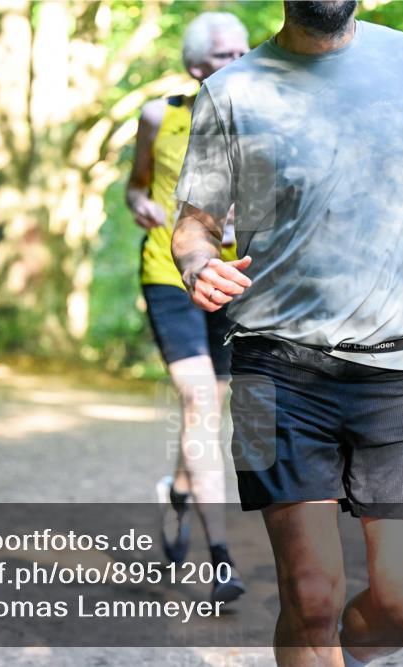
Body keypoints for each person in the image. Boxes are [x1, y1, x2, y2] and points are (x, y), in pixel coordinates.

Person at [171, 1, 403, 665]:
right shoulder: (232, 90)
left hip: (398, 363)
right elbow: (194, 221)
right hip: (268, 365)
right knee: (310, 596)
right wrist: (198, 263)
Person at [125, 11, 249, 604]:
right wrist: (142, 206)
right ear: (196, 67)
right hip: (167, 274)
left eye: (246, 50)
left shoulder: (262, 120)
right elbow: (137, 184)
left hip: (230, 279)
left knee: (207, 413)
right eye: (227, 54)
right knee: (200, 401)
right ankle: (220, 556)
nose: (241, 60)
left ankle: (177, 493)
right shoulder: (160, 117)